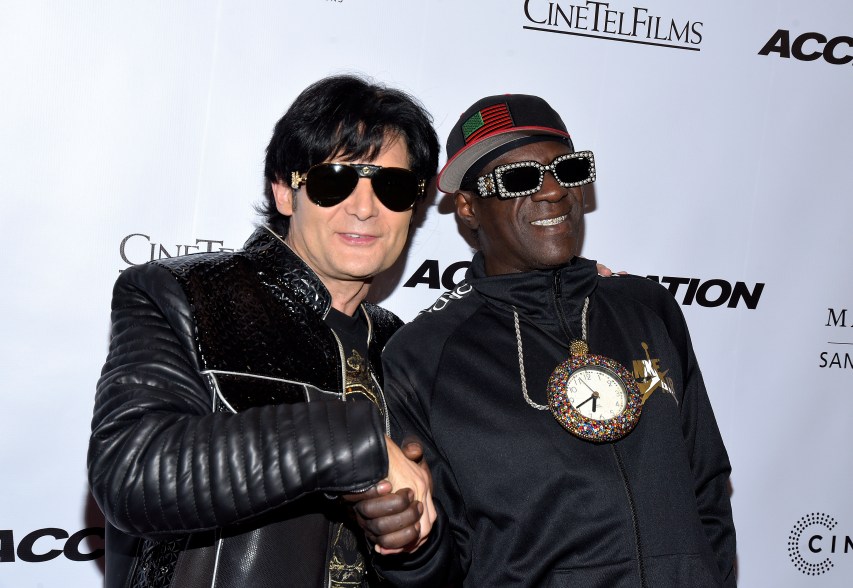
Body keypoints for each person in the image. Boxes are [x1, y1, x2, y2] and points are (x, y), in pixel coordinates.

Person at [87, 74, 445, 588]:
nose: (365, 208)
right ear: (284, 190)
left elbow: (440, 565)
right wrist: (353, 442)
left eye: (390, 186)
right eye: (334, 179)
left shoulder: (401, 344)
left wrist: (411, 546)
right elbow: (134, 473)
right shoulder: (184, 293)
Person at [374, 94, 737, 586]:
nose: (552, 192)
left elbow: (707, 490)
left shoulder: (647, 309)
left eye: (567, 170)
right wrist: (407, 547)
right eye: (519, 178)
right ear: (467, 206)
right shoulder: (423, 357)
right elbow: (440, 561)